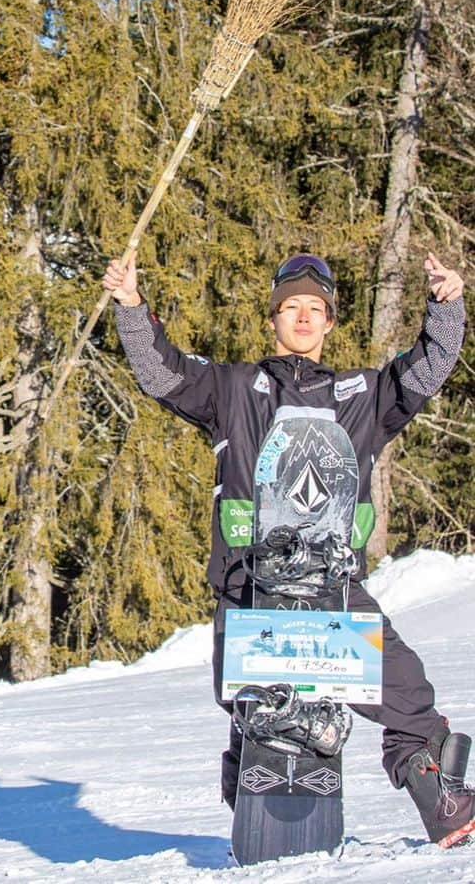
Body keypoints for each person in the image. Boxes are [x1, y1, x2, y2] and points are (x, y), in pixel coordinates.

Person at [102, 248, 472, 844]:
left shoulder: (363, 396)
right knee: (259, 709)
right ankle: (254, 783)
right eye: (291, 306)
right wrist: (131, 307)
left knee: (407, 692)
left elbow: (424, 372)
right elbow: (162, 371)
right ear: (273, 317)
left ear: (329, 322)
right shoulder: (231, 388)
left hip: (333, 589)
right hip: (250, 588)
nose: (302, 317)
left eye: (314, 308)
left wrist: (446, 307)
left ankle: (443, 801)